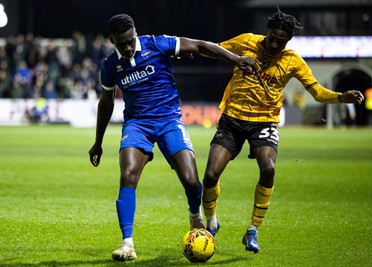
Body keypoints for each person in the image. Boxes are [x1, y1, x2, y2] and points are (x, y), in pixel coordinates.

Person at [88, 14, 258, 262]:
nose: (127, 47)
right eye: (121, 43)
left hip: (169, 121)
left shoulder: (157, 44)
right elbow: (106, 103)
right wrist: (98, 142)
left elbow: (200, 46)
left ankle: (194, 214)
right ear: (111, 40)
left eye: (130, 41)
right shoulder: (110, 66)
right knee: (128, 174)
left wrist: (236, 59)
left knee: (191, 181)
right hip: (137, 125)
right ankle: (127, 243)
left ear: (135, 32)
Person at [201, 7, 364, 254]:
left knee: (269, 168)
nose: (275, 43)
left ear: (288, 41)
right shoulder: (247, 41)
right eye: (273, 37)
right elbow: (219, 48)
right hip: (232, 119)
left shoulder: (292, 61)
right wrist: (190, 52)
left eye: (282, 40)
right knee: (211, 175)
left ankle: (253, 230)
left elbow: (317, 92)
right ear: (267, 31)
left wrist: (341, 97)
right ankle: (211, 222)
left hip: (264, 123)